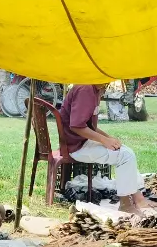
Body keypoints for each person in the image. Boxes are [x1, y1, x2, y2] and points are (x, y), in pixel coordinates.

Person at [60, 84, 150, 214]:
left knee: (124, 150)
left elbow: (90, 126)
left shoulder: (93, 88)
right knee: (125, 156)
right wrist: (104, 140)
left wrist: (109, 138)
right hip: (76, 147)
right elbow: (76, 126)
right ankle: (125, 204)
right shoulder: (85, 89)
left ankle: (138, 198)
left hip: (80, 142)